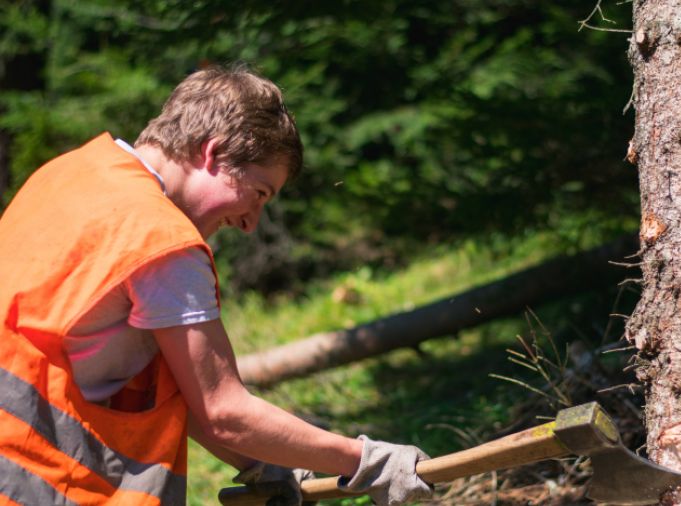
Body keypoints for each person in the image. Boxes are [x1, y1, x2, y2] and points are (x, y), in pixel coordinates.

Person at [0, 66, 433, 505]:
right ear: (214, 153)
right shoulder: (162, 241)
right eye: (260, 192)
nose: (250, 223)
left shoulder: (71, 174)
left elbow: (179, 393)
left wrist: (263, 461)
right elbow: (223, 411)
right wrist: (367, 462)